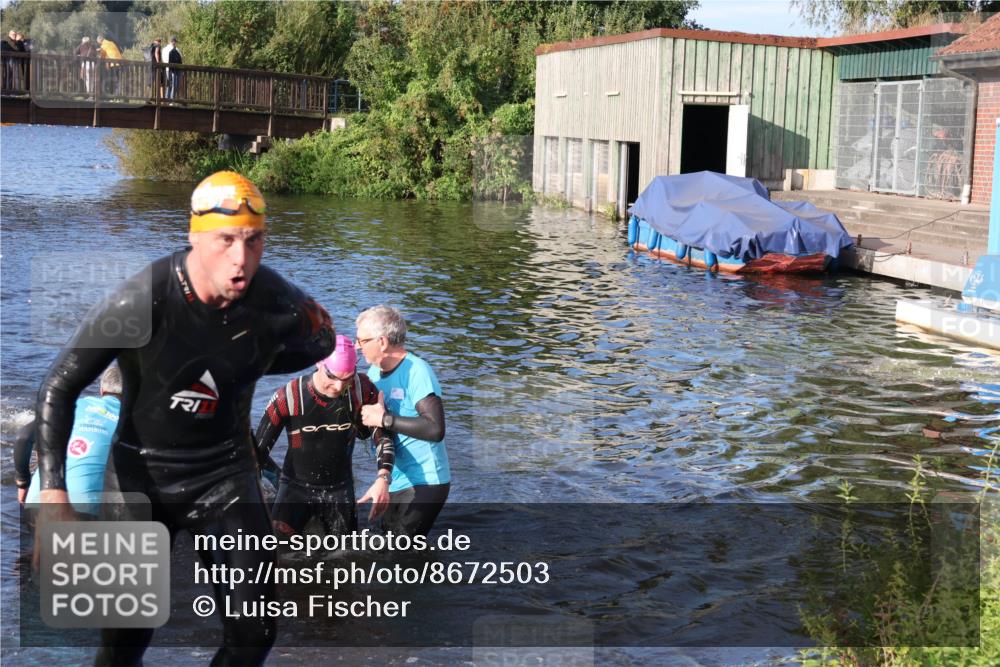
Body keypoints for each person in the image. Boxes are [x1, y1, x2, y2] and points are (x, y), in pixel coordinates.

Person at [33, 170, 335, 666]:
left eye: (255, 241)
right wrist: (53, 495)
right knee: (127, 636)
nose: (242, 259)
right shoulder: (143, 298)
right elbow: (59, 386)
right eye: (226, 241)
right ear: (194, 237)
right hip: (139, 474)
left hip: (224, 474)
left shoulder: (276, 299)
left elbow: (322, 342)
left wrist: (257, 360)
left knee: (254, 634)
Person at [255, 334, 395, 538]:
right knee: (274, 554)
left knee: (346, 559)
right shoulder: (290, 396)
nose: (339, 387)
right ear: (319, 363)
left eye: (347, 378)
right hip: (295, 488)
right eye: (333, 377)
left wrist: (383, 479)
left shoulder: (361, 390)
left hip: (339, 490)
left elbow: (383, 437)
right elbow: (258, 452)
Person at [357, 305, 451, 537]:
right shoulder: (373, 374)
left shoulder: (416, 371)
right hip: (395, 480)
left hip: (426, 481)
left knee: (398, 554)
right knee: (387, 552)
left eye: (362, 340)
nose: (358, 346)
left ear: (382, 342)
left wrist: (384, 418)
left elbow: (435, 428)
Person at [15, 365, 122, 517]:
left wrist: (23, 483)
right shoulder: (130, 420)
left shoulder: (73, 405)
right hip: (83, 513)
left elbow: (23, 437)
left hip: (37, 504)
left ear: (101, 390)